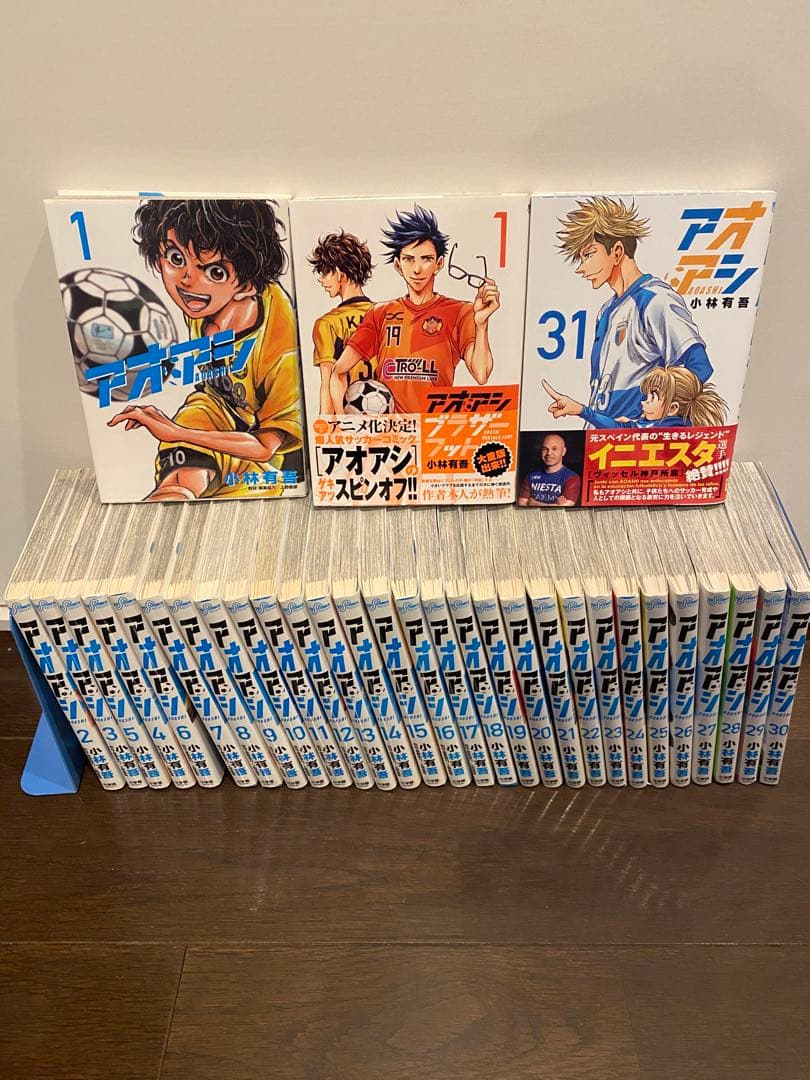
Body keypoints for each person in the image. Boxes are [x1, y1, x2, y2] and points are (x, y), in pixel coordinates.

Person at [108, 199, 303, 501]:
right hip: (214, 409)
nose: (187, 279)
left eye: (214, 271)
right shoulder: (203, 300)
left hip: (270, 452)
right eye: (175, 258)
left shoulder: (281, 350)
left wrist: (174, 432)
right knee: (190, 441)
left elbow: (266, 447)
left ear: (246, 286)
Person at [546, 196, 713, 427]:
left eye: (589, 254)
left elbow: (699, 367)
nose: (581, 268)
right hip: (601, 433)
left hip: (634, 440)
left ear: (616, 252)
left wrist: (650, 423)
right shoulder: (606, 310)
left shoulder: (655, 300)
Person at [329, 204, 500, 414]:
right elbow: (338, 372)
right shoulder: (380, 313)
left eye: (426, 259)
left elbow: (481, 374)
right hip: (392, 431)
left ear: (439, 263)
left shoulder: (460, 312)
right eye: (409, 259)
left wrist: (482, 324)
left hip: (434, 428)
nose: (417, 269)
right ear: (398, 265)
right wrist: (344, 423)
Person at [307, 231, 375, 414]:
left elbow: (327, 384)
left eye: (324, 273)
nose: (321, 280)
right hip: (386, 415)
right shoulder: (386, 315)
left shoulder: (327, 323)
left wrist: (325, 424)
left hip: (348, 419)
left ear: (338, 274)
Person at [543, 366, 727, 429]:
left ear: (672, 408)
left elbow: (617, 428)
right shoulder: (681, 425)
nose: (644, 401)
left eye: (652, 397)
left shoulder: (660, 429)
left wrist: (580, 410)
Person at [518, 433, 581, 506]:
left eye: (554, 449)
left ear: (563, 451)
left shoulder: (572, 478)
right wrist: (554, 504)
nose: (549, 453)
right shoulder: (531, 476)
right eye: (545, 449)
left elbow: (565, 507)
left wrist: (534, 503)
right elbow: (522, 503)